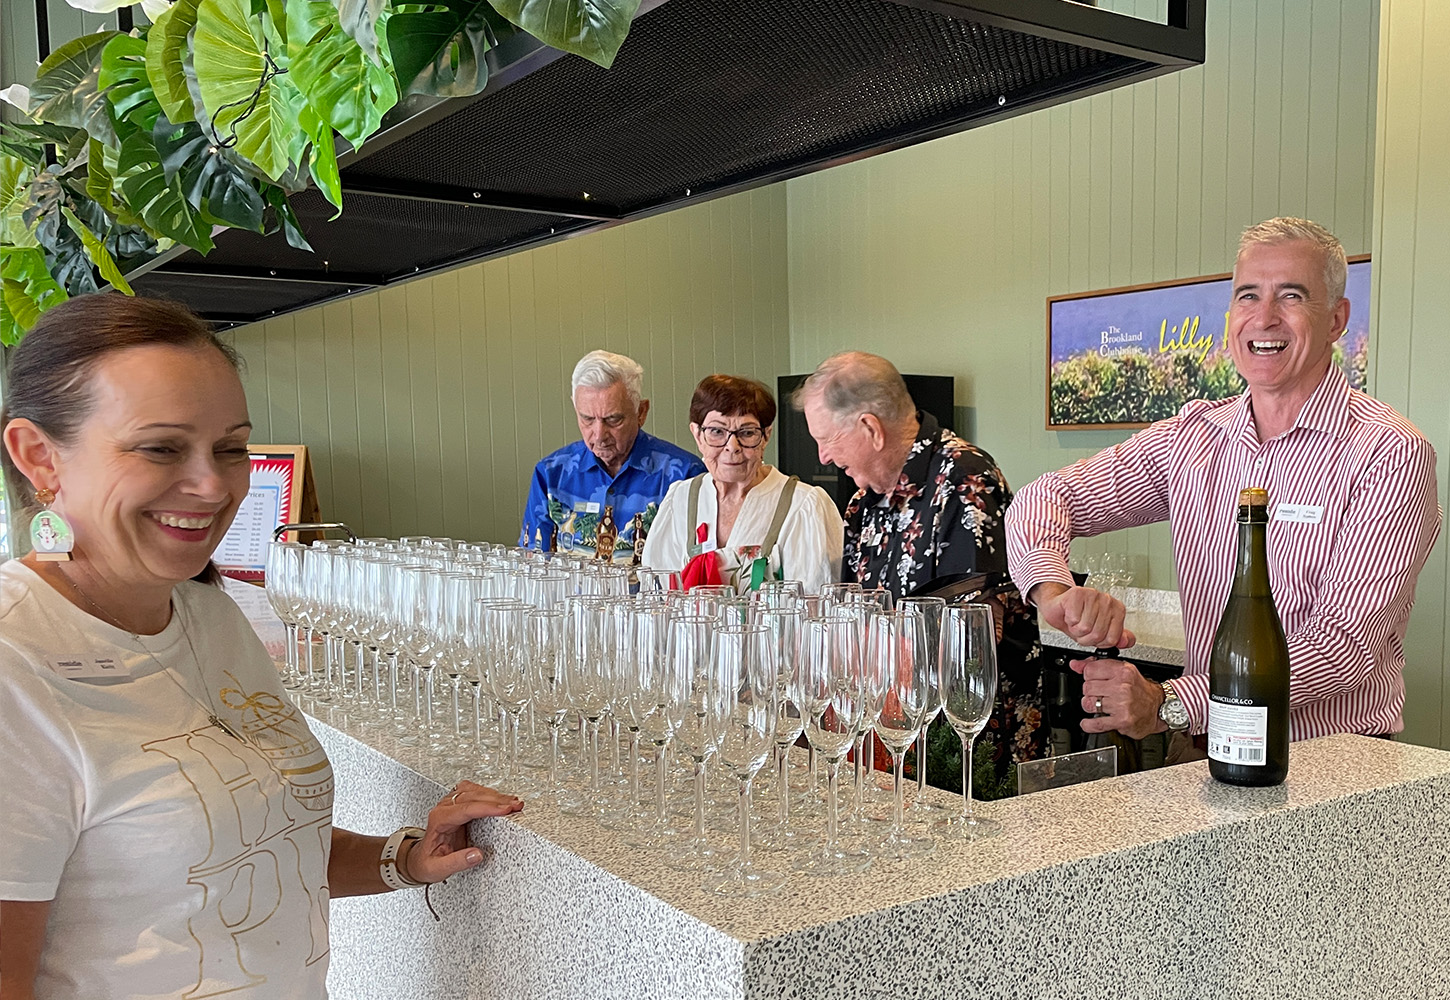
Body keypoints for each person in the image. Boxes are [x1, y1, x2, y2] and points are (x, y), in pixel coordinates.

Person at [0, 294, 523, 1000]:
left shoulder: (208, 614)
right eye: (160, 447)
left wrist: (405, 859)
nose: (214, 484)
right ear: (39, 457)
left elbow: (259, 843)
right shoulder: (16, 663)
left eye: (230, 447)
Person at [1006, 217, 1442, 753]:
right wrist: (1053, 592)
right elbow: (1044, 498)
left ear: (1336, 319)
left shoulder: (1389, 452)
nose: (1264, 317)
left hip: (1327, 759)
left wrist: (1170, 702)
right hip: (1205, 748)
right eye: (1248, 295)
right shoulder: (1194, 439)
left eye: (1291, 296)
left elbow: (1342, 650)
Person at [793, 352, 1042, 797]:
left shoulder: (965, 478)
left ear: (870, 428)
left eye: (827, 439)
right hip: (891, 741)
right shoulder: (863, 503)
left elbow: (975, 634)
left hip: (967, 749)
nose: (823, 457)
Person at [642, 375, 843, 592]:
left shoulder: (804, 505)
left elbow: (816, 606)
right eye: (717, 432)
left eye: (747, 433)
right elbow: (656, 594)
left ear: (766, 436)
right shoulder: (680, 499)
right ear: (697, 435)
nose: (732, 446)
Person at [519, 350, 704, 561]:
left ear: (641, 412)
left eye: (613, 420)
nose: (598, 435)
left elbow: (697, 568)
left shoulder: (685, 475)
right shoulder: (551, 474)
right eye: (587, 419)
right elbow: (533, 563)